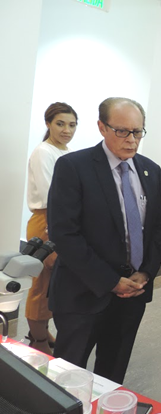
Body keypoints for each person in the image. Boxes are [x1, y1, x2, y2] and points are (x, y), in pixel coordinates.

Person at [47, 97, 161, 384]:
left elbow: (157, 229)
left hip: (132, 296)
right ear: (102, 127)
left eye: (138, 131)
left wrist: (146, 272)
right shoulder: (73, 167)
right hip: (83, 292)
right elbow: (65, 235)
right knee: (66, 377)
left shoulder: (151, 172)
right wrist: (109, 280)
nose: (131, 139)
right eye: (122, 131)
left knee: (111, 376)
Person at [25, 102, 78, 355]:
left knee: (53, 283)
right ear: (48, 124)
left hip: (62, 220)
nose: (67, 129)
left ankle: (42, 330)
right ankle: (38, 340)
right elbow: (51, 196)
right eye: (60, 123)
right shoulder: (43, 152)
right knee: (42, 283)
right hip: (47, 222)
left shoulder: (65, 152)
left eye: (72, 124)